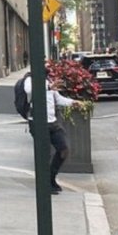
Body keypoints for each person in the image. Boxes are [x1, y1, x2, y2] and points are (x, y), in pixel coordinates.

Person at [26, 60, 80, 194]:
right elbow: (29, 90)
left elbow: (58, 99)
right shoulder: (30, 80)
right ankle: (45, 183)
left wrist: (73, 102)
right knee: (43, 154)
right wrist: (49, 87)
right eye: (44, 63)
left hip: (52, 122)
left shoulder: (49, 81)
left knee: (64, 149)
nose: (47, 66)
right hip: (38, 122)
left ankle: (51, 177)